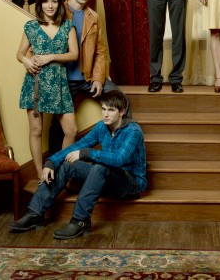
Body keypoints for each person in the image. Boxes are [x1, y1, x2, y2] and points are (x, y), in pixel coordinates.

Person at [10, 90, 147, 240]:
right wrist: (51, 162)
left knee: (100, 167)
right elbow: (78, 145)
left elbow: (119, 159)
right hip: (106, 178)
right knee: (69, 164)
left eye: (111, 110)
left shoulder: (133, 131)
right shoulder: (102, 127)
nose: (105, 114)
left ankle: (80, 221)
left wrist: (87, 153)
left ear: (122, 112)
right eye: (103, 109)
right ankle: (35, 214)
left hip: (131, 183)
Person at [49, 0, 130, 155]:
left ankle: (122, 151)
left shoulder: (93, 17)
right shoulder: (57, 11)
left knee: (121, 100)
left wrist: (99, 79)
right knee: (58, 124)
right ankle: (53, 163)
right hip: (63, 78)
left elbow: (101, 51)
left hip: (88, 77)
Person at [16, 0, 79, 178]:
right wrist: (26, 61)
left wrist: (50, 57)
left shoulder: (68, 26)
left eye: (54, 1)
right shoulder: (31, 27)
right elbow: (19, 53)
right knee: (36, 130)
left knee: (71, 130)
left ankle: (59, 171)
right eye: (45, 1)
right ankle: (40, 175)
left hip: (58, 83)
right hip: (35, 83)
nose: (50, 6)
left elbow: (74, 55)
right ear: (40, 4)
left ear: (59, 4)